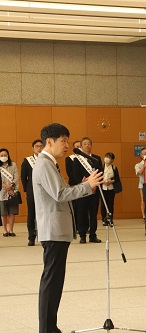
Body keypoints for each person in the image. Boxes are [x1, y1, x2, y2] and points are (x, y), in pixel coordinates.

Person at [33, 123, 103, 333]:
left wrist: (81, 186)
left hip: (57, 230)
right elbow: (60, 195)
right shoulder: (44, 164)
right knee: (51, 282)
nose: (66, 145)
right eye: (63, 141)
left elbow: (60, 191)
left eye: (67, 140)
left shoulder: (50, 163)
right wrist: (87, 186)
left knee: (54, 283)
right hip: (53, 230)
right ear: (49, 141)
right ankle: (47, 329)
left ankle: (50, 327)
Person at [72, 137, 103, 243]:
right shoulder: (77, 159)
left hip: (95, 190)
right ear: (81, 146)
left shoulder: (97, 158)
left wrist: (94, 185)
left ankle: (93, 235)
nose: (87, 145)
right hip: (82, 190)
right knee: (82, 213)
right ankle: (82, 235)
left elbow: (100, 173)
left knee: (93, 213)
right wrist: (84, 184)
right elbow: (75, 176)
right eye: (85, 144)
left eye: (89, 143)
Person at [21, 139, 43, 246]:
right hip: (32, 192)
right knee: (31, 214)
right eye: (37, 146)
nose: (39, 148)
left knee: (43, 214)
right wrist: (27, 189)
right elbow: (23, 177)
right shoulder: (27, 161)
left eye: (41, 146)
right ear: (33, 148)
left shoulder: (47, 160)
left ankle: (43, 236)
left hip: (45, 192)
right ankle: (31, 237)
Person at [0, 148, 20, 237]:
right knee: (3, 212)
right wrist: (5, 187)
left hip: (12, 191)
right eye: (1, 155)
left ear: (8, 156)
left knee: (12, 212)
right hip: (1, 192)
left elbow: (16, 177)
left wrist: (10, 186)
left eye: (5, 155)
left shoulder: (13, 165)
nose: (3, 157)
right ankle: (4, 230)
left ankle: (11, 230)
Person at [101, 152, 120, 221]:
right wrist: (103, 182)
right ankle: (103, 219)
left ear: (112, 160)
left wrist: (111, 181)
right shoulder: (101, 167)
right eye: (106, 157)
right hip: (103, 188)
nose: (106, 158)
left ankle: (110, 218)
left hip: (111, 188)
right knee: (103, 204)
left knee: (110, 204)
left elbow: (117, 178)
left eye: (109, 157)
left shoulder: (114, 168)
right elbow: (98, 177)